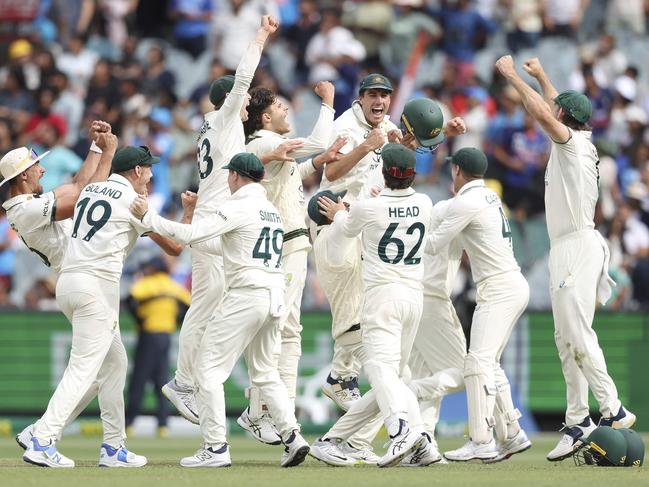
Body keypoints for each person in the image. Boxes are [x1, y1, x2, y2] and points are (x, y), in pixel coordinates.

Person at [495, 55, 636, 461]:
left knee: (576, 332)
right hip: (566, 247)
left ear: (564, 119)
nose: (552, 109)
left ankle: (612, 406)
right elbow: (556, 103)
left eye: (558, 111)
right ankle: (577, 420)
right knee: (563, 339)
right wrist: (541, 75)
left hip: (578, 245)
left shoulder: (571, 144)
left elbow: (543, 110)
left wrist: (512, 78)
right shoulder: (580, 138)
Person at [130, 153, 310, 468]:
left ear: (237, 176)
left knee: (208, 371)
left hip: (246, 296)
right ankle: (293, 437)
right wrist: (193, 240)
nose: (228, 180)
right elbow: (225, 245)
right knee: (266, 373)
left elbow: (193, 235)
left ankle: (215, 448)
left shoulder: (238, 205)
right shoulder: (269, 211)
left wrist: (149, 217)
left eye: (230, 175)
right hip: (275, 297)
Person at [161, 15, 291, 425]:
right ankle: (183, 382)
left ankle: (198, 381)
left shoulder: (213, 128)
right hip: (216, 219)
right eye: (243, 98)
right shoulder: (224, 116)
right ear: (231, 100)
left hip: (220, 218)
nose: (249, 102)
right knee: (205, 305)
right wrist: (261, 36)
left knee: (220, 301)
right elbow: (242, 77)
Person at [21, 145, 162, 468]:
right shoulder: (132, 200)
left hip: (70, 282)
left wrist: (100, 151)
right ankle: (42, 439)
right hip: (96, 289)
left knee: (114, 363)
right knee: (84, 368)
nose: (152, 175)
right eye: (148, 169)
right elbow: (174, 246)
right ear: (136, 172)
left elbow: (82, 186)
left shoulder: (89, 194)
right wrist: (182, 217)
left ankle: (113, 447)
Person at [314, 144, 432, 468]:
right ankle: (334, 441)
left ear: (385, 172)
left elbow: (345, 225)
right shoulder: (425, 202)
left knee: (381, 372)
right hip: (414, 299)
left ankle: (401, 431)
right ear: (413, 174)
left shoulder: (370, 209)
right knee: (393, 378)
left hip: (382, 297)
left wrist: (339, 211)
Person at [240, 81, 344, 443]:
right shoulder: (266, 142)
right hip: (285, 245)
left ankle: (266, 409)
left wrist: (317, 163)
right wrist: (328, 102)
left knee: (280, 330)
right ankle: (265, 411)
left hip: (285, 245)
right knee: (284, 331)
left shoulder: (265, 147)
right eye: (282, 108)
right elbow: (315, 141)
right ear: (266, 117)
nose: (288, 112)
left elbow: (290, 175)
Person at [426, 147, 531, 462]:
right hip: (510, 284)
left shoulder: (467, 201)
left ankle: (481, 439)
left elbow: (433, 243)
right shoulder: (488, 197)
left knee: (477, 363)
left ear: (457, 171)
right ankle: (512, 433)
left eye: (452, 171)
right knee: (490, 364)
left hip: (499, 288)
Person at [125, 255, 191, 436]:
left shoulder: (147, 283)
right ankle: (163, 425)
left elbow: (129, 299)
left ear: (154, 269)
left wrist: (139, 318)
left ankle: (129, 423)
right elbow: (188, 305)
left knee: (139, 380)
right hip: (166, 335)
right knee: (162, 380)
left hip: (148, 334)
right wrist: (176, 320)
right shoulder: (173, 285)